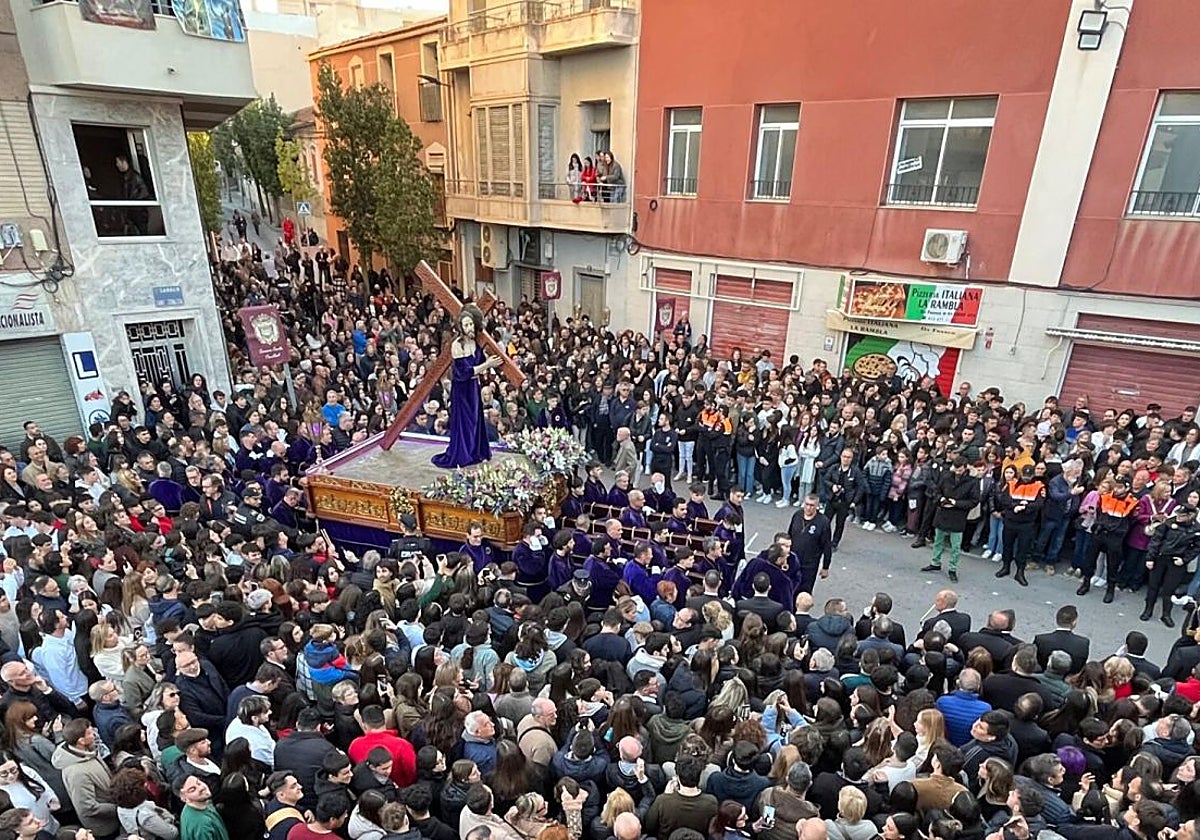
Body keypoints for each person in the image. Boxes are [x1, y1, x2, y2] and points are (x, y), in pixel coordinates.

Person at [433, 304, 502, 469]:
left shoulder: (475, 343)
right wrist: (487, 364)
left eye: (471, 323)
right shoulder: (457, 345)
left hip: (473, 388)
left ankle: (476, 452)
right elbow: (463, 372)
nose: (469, 327)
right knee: (465, 423)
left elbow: (477, 364)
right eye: (466, 325)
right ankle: (464, 455)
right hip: (462, 390)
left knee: (476, 420)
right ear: (461, 327)